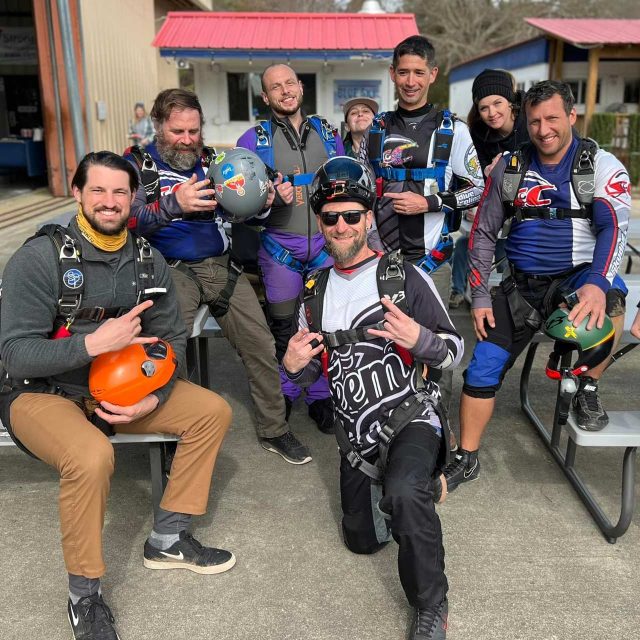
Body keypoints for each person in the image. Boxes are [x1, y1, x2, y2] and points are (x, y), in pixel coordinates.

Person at [0, 151, 235, 640]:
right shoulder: (40, 258)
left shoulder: (148, 261)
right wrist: (92, 343)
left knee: (211, 411)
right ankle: (84, 595)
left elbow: (171, 342)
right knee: (91, 456)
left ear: (135, 198)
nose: (110, 202)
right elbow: (16, 355)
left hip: (117, 392)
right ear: (79, 193)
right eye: (99, 190)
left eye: (120, 192)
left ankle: (168, 537)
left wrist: (155, 396)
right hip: (40, 394)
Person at [283, 156, 463, 640]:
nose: (341, 225)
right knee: (360, 541)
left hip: (411, 419)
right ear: (319, 221)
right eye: (330, 216)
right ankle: (420, 489)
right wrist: (292, 369)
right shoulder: (313, 292)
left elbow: (454, 353)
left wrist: (420, 340)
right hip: (355, 439)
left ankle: (431, 605)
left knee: (404, 494)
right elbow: (303, 378)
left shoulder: (402, 278)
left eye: (352, 215)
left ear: (368, 218)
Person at [441, 80, 631, 493]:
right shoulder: (511, 166)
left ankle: (588, 387)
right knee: (481, 369)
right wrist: (477, 296)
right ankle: (467, 456)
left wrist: (597, 283)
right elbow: (484, 235)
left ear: (572, 116)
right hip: (520, 290)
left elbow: (613, 228)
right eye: (535, 121)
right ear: (525, 122)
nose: (544, 129)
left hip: (579, 279)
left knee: (613, 299)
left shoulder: (600, 166)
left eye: (552, 119)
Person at [124, 88, 311, 466]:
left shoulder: (214, 162)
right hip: (167, 267)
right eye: (179, 131)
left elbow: (245, 217)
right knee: (168, 346)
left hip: (220, 266)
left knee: (260, 342)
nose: (188, 140)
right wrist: (174, 205)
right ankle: (168, 428)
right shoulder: (136, 167)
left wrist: (268, 200)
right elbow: (122, 223)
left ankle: (274, 429)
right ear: (159, 126)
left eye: (194, 131)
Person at [359, 35, 483, 417]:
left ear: (432, 74)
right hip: (380, 262)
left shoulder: (453, 130)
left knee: (435, 348)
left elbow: (477, 188)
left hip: (433, 263)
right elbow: (363, 190)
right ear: (392, 75)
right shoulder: (375, 130)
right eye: (403, 72)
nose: (410, 81)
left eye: (418, 72)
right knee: (380, 345)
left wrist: (429, 203)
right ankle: (384, 421)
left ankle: (434, 426)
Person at [237, 64, 345, 433]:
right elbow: (237, 210)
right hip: (279, 249)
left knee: (323, 325)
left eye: (289, 83)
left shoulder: (329, 134)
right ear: (265, 97)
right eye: (274, 87)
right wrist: (269, 202)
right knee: (283, 329)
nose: (285, 91)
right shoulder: (253, 141)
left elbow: (345, 185)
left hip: (326, 249)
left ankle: (319, 395)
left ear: (300, 87)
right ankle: (284, 391)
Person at [449, 69, 526, 309]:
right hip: (496, 208)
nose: (492, 113)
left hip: (528, 207)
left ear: (510, 101)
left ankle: (514, 296)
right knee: (465, 244)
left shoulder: (530, 122)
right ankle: (460, 291)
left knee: (511, 251)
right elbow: (476, 178)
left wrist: (508, 163)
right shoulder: (477, 134)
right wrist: (474, 204)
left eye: (497, 103)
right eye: (484, 108)